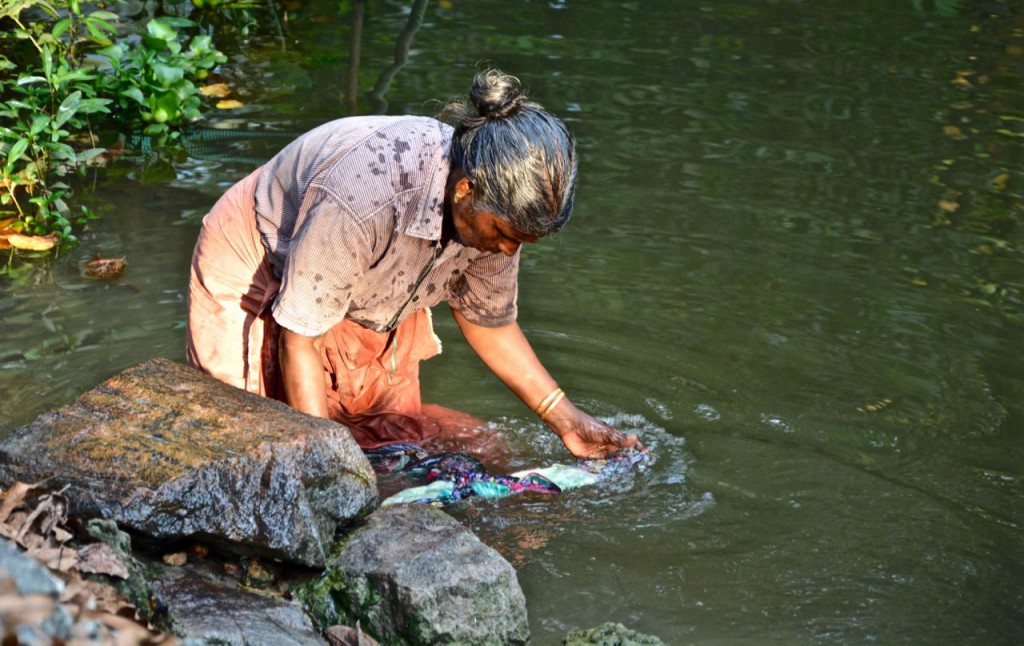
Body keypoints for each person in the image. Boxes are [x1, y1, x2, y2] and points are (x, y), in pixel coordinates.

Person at [186, 69, 639, 459]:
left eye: (520, 242)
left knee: (387, 435)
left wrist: (568, 421)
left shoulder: (494, 218)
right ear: (465, 190)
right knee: (252, 436)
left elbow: (489, 323)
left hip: (370, 276)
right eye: (504, 235)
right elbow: (300, 338)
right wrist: (326, 465)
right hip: (260, 253)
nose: (508, 251)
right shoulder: (364, 197)